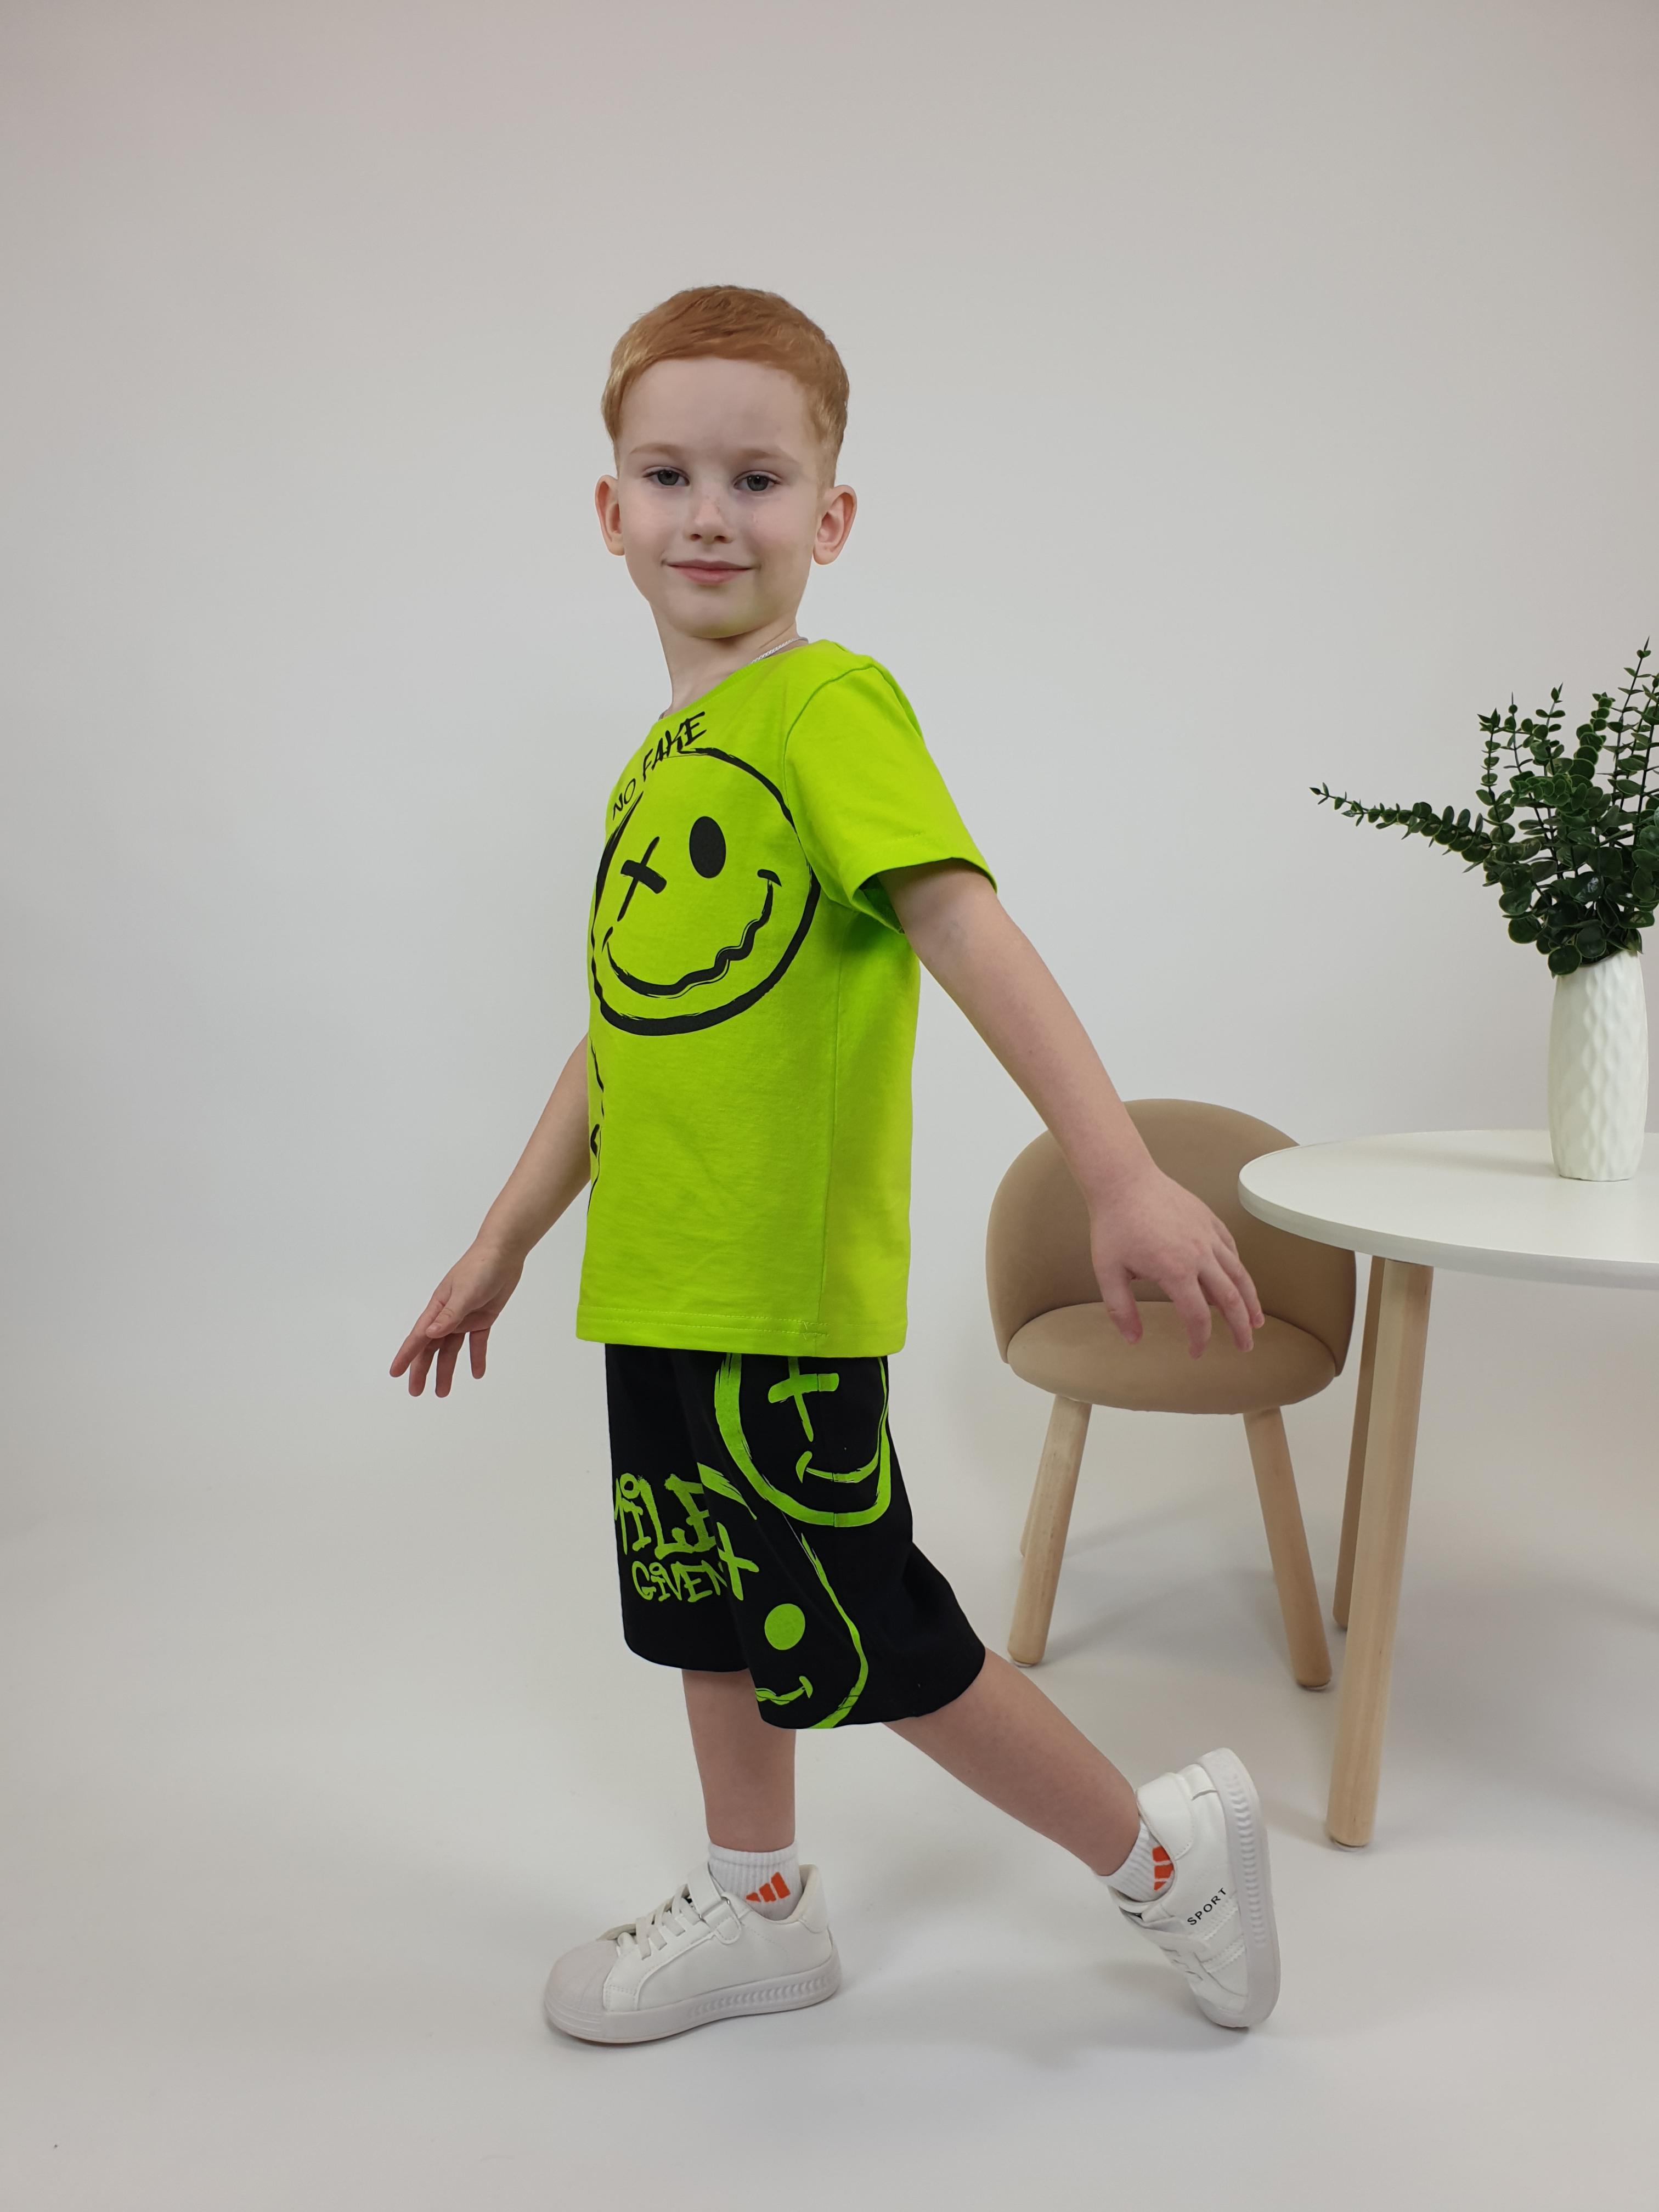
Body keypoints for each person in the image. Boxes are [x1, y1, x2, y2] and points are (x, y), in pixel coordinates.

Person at [391, 285, 1280, 2045]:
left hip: (776, 1300)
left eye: (758, 478)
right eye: (669, 476)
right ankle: (762, 1904)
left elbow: (962, 921)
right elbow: (624, 1029)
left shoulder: (826, 709)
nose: (710, 514)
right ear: (610, 511)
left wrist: (1114, 1169)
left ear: (832, 515)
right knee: (707, 1617)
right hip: (659, 1283)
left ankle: (1168, 1859)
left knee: (871, 1637)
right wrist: (506, 1237)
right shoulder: (665, 758)